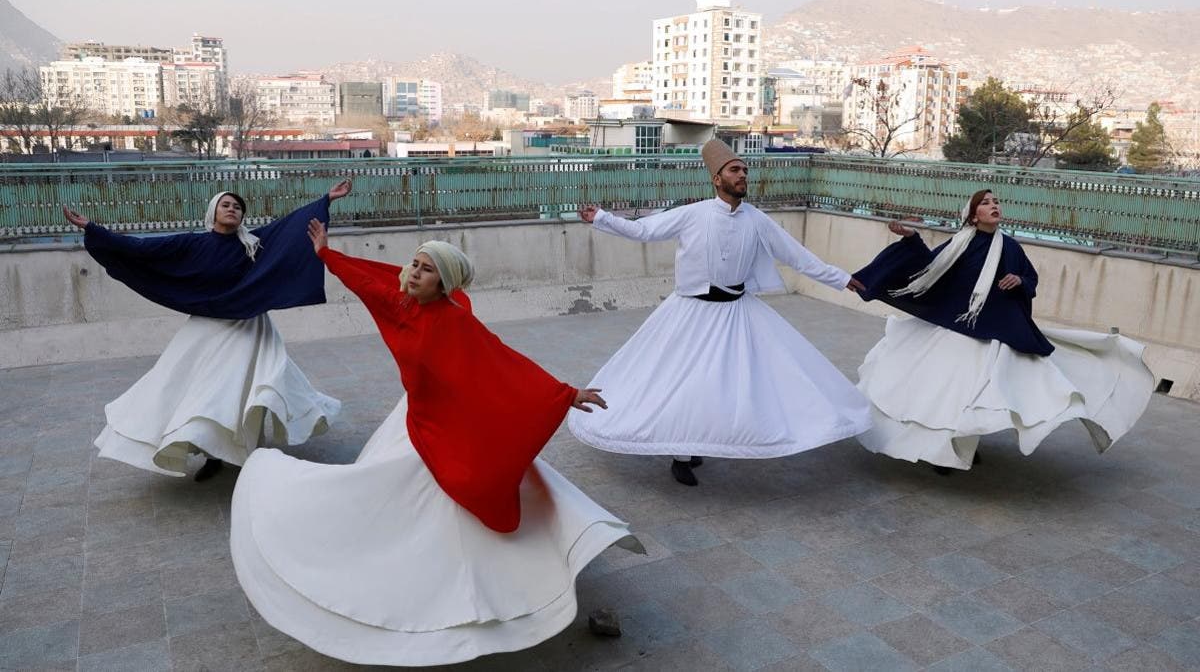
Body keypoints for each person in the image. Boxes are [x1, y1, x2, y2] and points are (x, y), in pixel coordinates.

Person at [229, 227, 642, 666]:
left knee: (464, 492)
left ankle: (498, 582)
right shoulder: (401, 298)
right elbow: (367, 281)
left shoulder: (455, 318)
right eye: (415, 264)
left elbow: (501, 361)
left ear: (444, 283)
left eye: (427, 271)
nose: (414, 273)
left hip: (450, 420)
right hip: (415, 416)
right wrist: (327, 254)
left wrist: (564, 394)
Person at [569, 139, 872, 486]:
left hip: (737, 314)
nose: (743, 175)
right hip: (690, 314)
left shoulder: (757, 220)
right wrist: (602, 218)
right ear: (717, 178)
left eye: (745, 169)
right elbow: (643, 231)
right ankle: (681, 455)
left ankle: (707, 439)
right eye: (735, 170)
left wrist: (842, 278)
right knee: (683, 381)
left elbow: (798, 257)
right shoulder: (693, 214)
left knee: (725, 384)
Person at [62, 181, 352, 481]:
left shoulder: (253, 244)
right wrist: (93, 229)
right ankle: (213, 453)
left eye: (237, 207)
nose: (232, 209)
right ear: (213, 211)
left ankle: (248, 455)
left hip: (249, 327)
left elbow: (290, 227)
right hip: (209, 328)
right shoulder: (191, 244)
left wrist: (326, 199)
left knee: (250, 392)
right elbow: (142, 248)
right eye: (226, 205)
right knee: (205, 392)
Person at [851, 189, 1154, 472]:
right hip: (956, 329)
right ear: (972, 216)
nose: (993, 205)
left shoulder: (1010, 247)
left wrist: (1019, 282)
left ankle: (957, 448)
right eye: (985, 203)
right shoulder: (961, 243)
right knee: (946, 393)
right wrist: (913, 238)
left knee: (976, 396)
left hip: (992, 332)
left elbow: (1030, 278)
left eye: (995, 201)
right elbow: (930, 268)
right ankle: (944, 452)